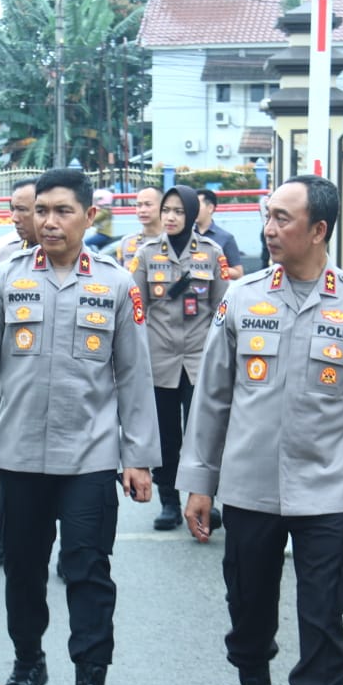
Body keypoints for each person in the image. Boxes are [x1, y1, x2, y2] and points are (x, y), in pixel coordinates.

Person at [178, 174, 343, 685]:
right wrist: (199, 482)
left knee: (323, 619)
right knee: (248, 605)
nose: (269, 229)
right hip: (248, 488)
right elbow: (213, 398)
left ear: (319, 230)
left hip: (326, 492)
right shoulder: (242, 299)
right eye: (267, 217)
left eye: (282, 218)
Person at [0, 167, 160, 685]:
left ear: (88, 217)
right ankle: (28, 660)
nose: (48, 221)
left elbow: (133, 376)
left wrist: (138, 457)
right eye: (40, 210)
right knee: (23, 569)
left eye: (62, 210)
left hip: (90, 457)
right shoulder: (3, 278)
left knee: (89, 574)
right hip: (17, 456)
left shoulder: (117, 285)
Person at [128, 184, 231, 531]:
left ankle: (203, 498)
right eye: (166, 210)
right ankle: (169, 502)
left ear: (191, 214)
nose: (170, 217)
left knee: (202, 433)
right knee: (167, 436)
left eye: (178, 211)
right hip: (159, 360)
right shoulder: (145, 254)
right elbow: (135, 310)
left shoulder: (212, 253)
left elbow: (222, 310)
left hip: (201, 359)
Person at [0, 178, 40, 569]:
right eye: (12, 208)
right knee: (3, 462)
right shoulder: (1, 253)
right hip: (12, 383)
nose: (15, 217)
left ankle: (69, 549)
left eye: (24, 209)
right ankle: (1, 534)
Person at [196, 187, 245, 278]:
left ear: (210, 208)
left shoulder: (226, 238)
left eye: (197, 205)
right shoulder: (187, 235)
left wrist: (214, 267)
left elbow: (238, 273)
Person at [110, 186, 162, 266]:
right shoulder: (126, 243)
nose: (142, 210)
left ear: (162, 207)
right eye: (139, 205)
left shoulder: (173, 241)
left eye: (148, 205)